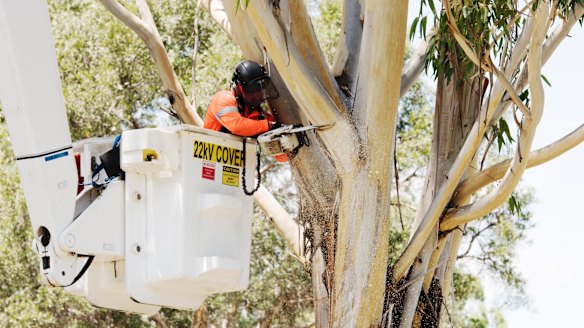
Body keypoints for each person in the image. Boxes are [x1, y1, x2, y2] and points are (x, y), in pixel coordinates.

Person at [204, 60, 280, 137]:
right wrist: (269, 126)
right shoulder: (222, 98)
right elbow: (236, 126)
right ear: (238, 88)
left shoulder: (264, 117)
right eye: (251, 91)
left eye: (259, 90)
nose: (256, 96)